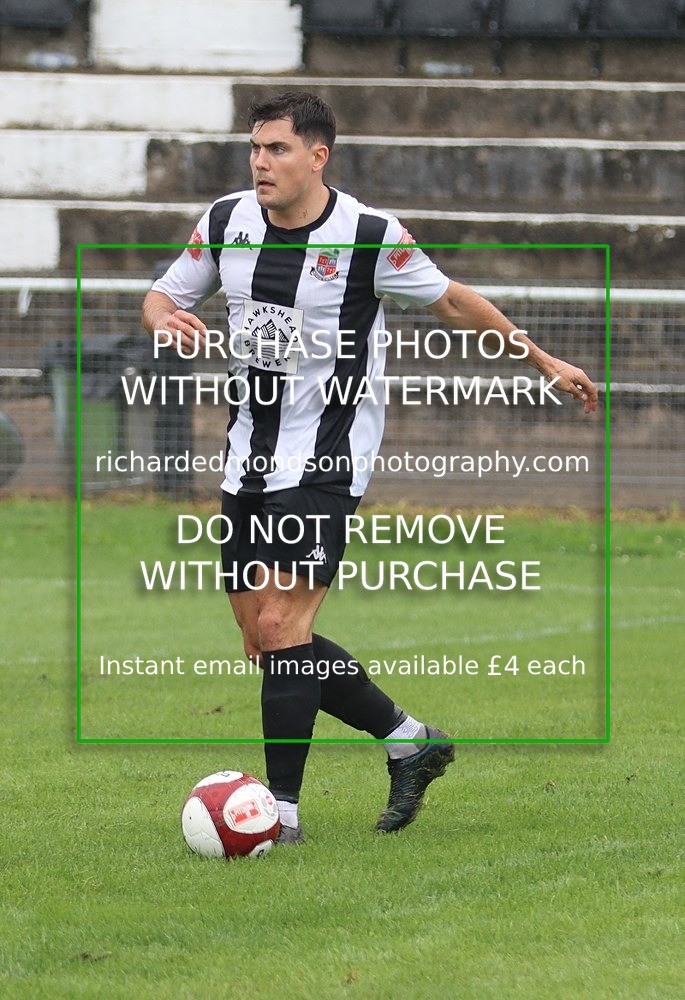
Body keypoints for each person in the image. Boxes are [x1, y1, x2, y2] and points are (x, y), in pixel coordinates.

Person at [142, 91, 598, 845]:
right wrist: (167, 318)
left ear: (317, 156)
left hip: (326, 457)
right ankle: (410, 741)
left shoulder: (368, 235)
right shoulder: (226, 221)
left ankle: (277, 818)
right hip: (246, 459)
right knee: (265, 639)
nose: (260, 162)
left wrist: (542, 359)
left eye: (277, 149)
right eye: (255, 148)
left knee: (284, 626)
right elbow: (163, 294)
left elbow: (451, 302)